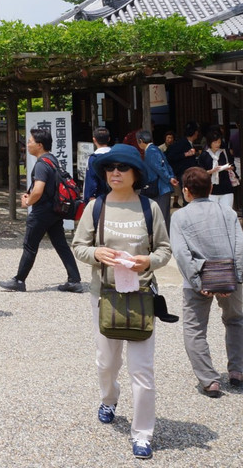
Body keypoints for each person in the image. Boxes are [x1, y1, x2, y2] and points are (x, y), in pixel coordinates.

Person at [71, 144, 172, 461]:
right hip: (105, 295)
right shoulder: (95, 207)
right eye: (110, 167)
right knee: (107, 361)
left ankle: (143, 434)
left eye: (122, 168)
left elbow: (165, 251)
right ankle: (108, 399)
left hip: (141, 297)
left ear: (135, 173)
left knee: (142, 369)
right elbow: (79, 246)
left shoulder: (149, 208)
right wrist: (96, 254)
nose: (115, 172)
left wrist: (148, 261)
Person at [170, 166, 243, 396]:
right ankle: (238, 371)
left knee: (194, 328)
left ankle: (209, 379)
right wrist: (236, 277)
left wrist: (197, 282)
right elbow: (239, 246)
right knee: (236, 321)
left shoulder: (180, 216)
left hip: (198, 276)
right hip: (230, 274)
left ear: (186, 191)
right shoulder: (228, 212)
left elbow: (181, 254)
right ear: (211, 188)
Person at [0, 128, 84, 293]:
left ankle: (19, 280)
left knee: (30, 246)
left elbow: (38, 190)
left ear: (39, 145)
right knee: (61, 245)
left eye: (30, 142)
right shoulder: (52, 160)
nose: (27, 145)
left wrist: (27, 201)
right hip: (54, 211)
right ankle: (74, 280)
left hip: (42, 212)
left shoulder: (41, 164)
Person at [136, 130, 178, 233]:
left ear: (141, 141)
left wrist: (169, 178)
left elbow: (159, 167)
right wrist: (171, 177)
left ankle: (163, 242)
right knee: (162, 216)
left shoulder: (151, 151)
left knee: (161, 217)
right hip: (162, 187)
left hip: (160, 188)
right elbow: (166, 165)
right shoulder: (155, 149)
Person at [199, 130, 236, 212]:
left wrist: (228, 168)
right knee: (213, 214)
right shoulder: (205, 155)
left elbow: (233, 166)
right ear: (209, 142)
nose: (217, 144)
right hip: (211, 190)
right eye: (215, 142)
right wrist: (212, 171)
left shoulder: (224, 152)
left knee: (227, 213)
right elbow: (200, 172)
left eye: (219, 142)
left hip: (226, 188)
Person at [84, 127, 112, 202]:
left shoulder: (93, 158)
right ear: (109, 139)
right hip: (116, 195)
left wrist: (90, 196)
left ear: (94, 140)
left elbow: (92, 180)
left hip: (100, 197)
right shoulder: (115, 155)